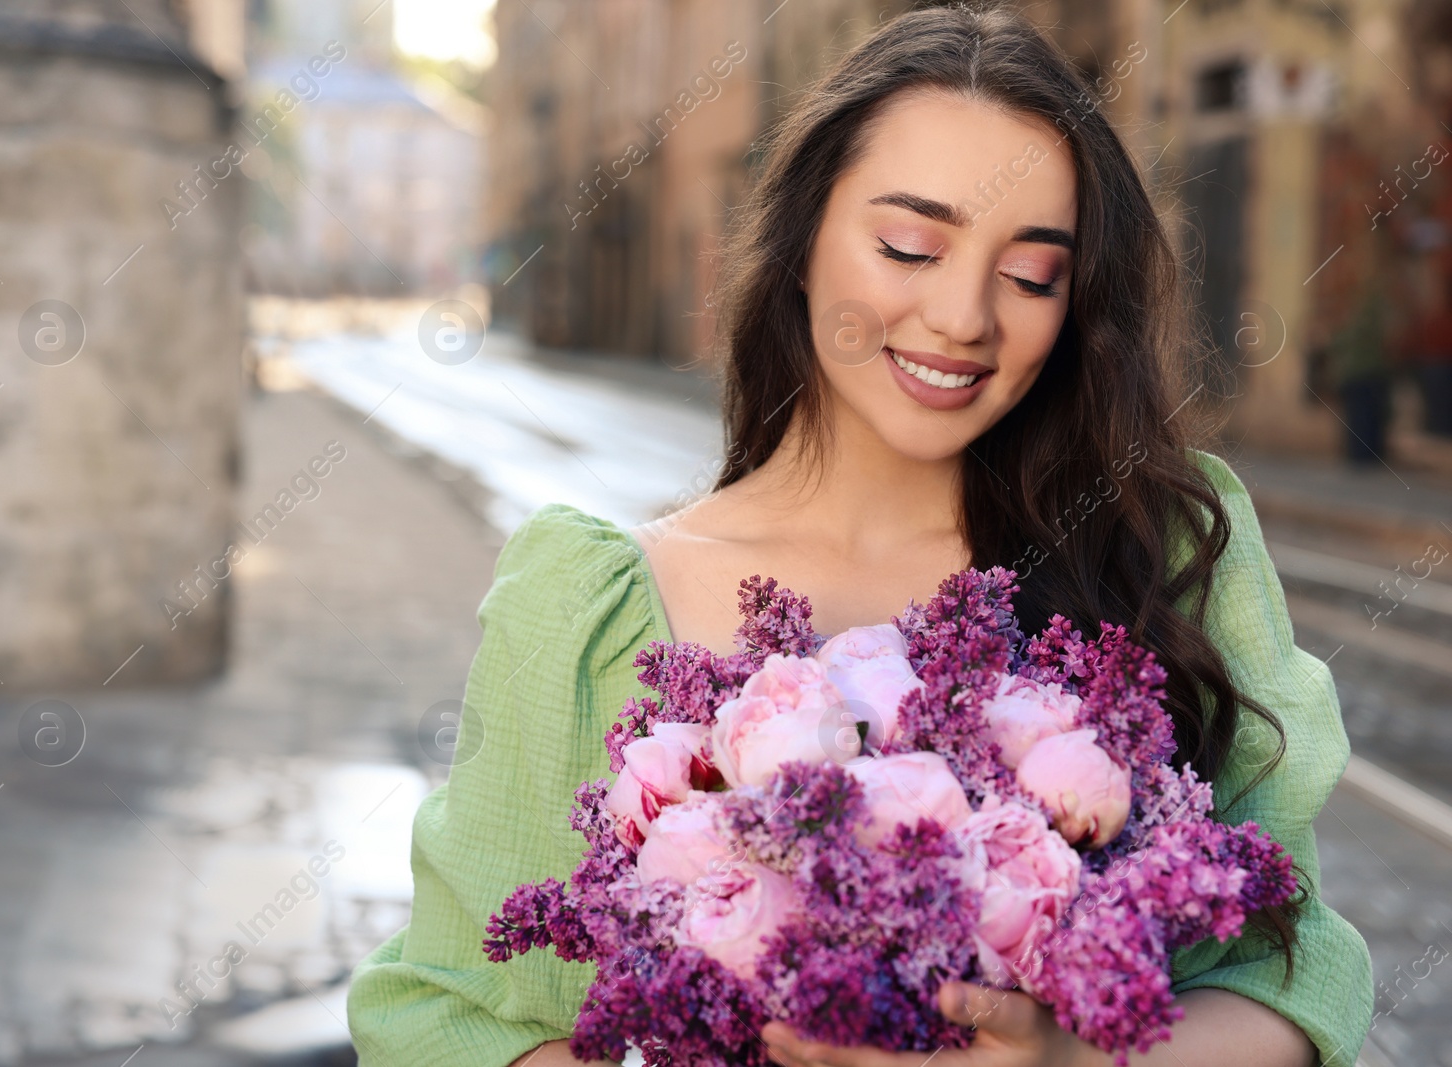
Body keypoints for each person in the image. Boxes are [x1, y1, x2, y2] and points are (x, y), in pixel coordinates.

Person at [347, 6, 1372, 1066]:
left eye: (1031, 274)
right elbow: (448, 1017)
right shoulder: (588, 604)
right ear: (801, 242)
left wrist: (1065, 1060)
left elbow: (1294, 973)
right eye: (909, 245)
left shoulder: (1155, 545)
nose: (964, 315)